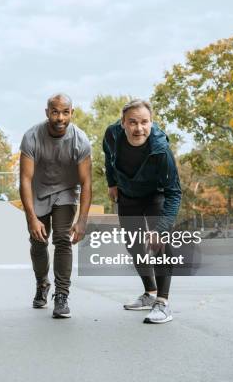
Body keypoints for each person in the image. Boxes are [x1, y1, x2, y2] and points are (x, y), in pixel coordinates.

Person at [102, 99, 182, 324]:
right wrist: (112, 183)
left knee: (160, 242)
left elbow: (174, 192)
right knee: (134, 245)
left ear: (151, 122)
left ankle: (162, 303)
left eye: (144, 122)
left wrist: (161, 227)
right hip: (128, 194)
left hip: (155, 193)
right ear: (123, 123)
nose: (139, 128)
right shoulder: (111, 135)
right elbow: (109, 158)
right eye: (133, 122)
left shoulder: (161, 150)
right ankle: (150, 293)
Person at [19, 93, 92, 319]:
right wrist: (31, 218)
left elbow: (86, 182)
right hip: (38, 192)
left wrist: (82, 220)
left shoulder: (80, 140)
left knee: (62, 239)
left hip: (66, 194)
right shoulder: (32, 136)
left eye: (65, 112)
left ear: (72, 113)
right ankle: (42, 283)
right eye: (55, 111)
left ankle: (61, 295)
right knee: (38, 242)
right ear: (47, 112)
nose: (60, 117)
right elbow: (25, 179)